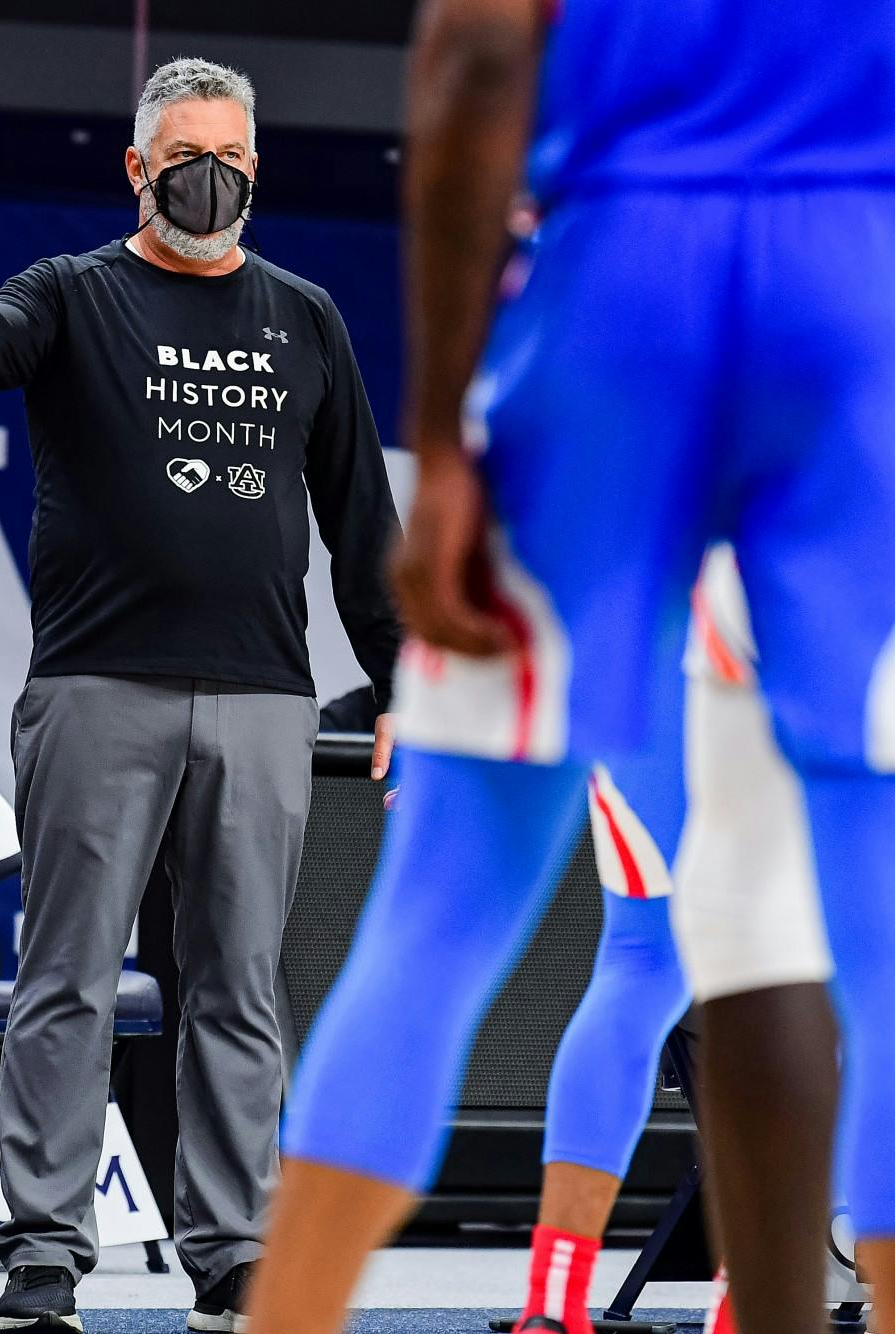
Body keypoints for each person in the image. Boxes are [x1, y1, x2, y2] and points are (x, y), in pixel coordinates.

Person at [242, 5, 895, 1334]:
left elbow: (477, 57)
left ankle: (294, 1320)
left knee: (444, 909)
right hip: (856, 287)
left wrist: (438, 440)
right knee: (865, 946)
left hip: (620, 278)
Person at [0, 57, 405, 1332]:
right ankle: (42, 1247)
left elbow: (362, 515)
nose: (214, 177)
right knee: (67, 977)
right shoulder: (76, 296)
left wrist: (397, 673)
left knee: (238, 986)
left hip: (260, 699)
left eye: (235, 159)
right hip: (94, 687)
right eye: (190, 155)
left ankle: (234, 1247)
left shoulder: (304, 316)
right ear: (137, 167)